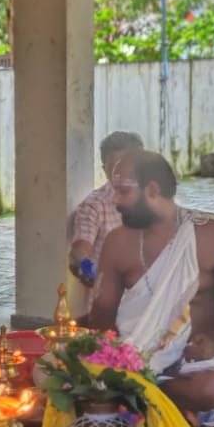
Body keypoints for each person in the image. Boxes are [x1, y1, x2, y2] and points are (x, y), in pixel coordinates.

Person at [90, 150, 214, 418]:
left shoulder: (211, 234)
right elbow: (102, 312)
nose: (115, 201)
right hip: (130, 358)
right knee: (47, 370)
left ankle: (136, 396)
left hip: (195, 364)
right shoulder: (117, 241)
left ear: (152, 190)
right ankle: (146, 397)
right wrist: (112, 355)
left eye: (123, 192)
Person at [67, 130, 143, 311]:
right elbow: (79, 252)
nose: (121, 172)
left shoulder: (153, 199)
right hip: (112, 309)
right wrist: (88, 269)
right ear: (104, 169)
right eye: (114, 166)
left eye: (127, 164)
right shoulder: (94, 206)